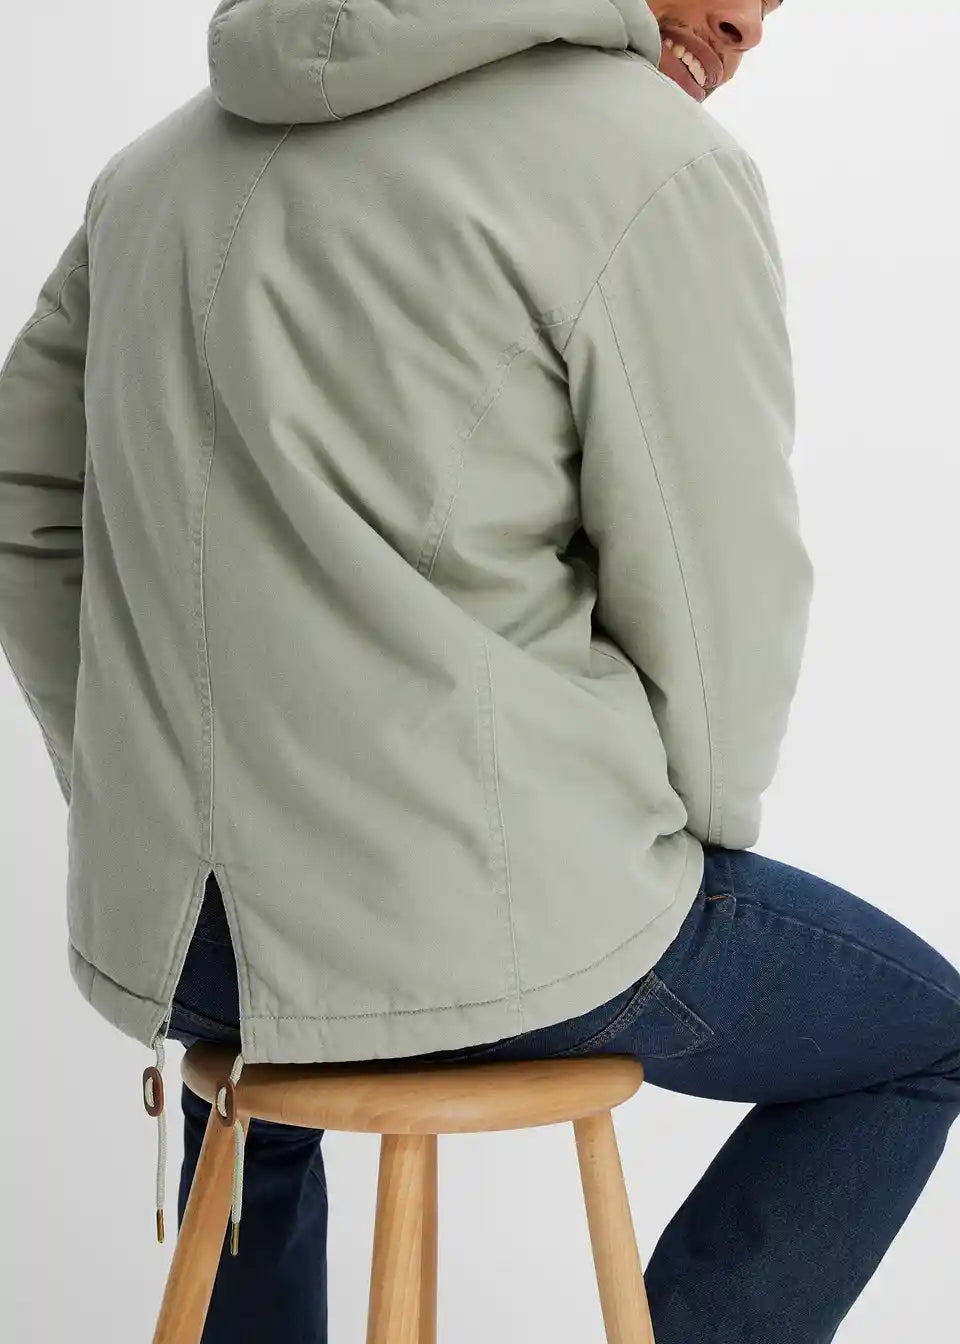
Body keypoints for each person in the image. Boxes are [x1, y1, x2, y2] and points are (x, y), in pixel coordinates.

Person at [0, 1, 955, 1340]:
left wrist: (141, 797)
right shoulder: (651, 164)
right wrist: (686, 840)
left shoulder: (153, 171)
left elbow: (24, 503)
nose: (745, 17)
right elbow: (716, 586)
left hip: (195, 943)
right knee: (924, 1041)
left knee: (265, 1091)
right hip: (496, 928)